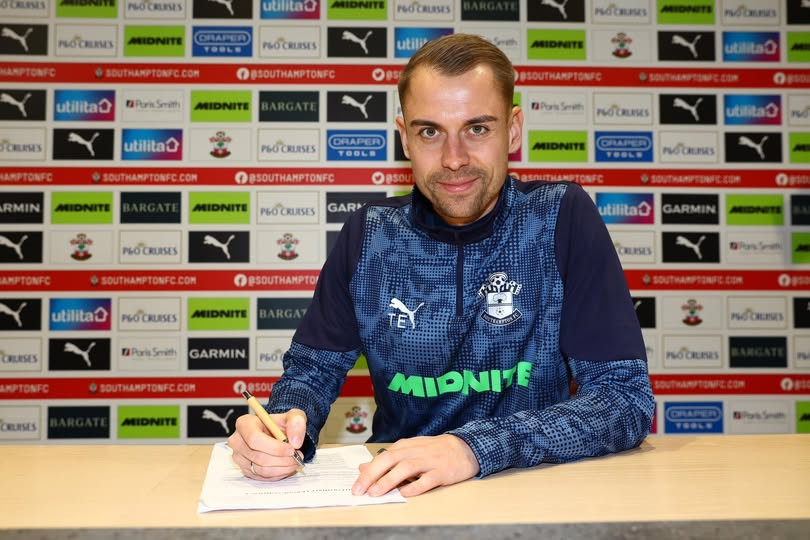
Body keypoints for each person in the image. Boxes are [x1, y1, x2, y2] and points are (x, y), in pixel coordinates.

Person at [228, 33, 655, 497]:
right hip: (398, 497)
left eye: (477, 129)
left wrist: (472, 448)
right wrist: (284, 425)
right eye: (430, 132)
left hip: (534, 491)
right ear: (404, 138)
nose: (454, 159)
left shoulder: (560, 217)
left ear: (513, 130)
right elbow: (310, 374)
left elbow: (624, 399)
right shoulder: (369, 234)